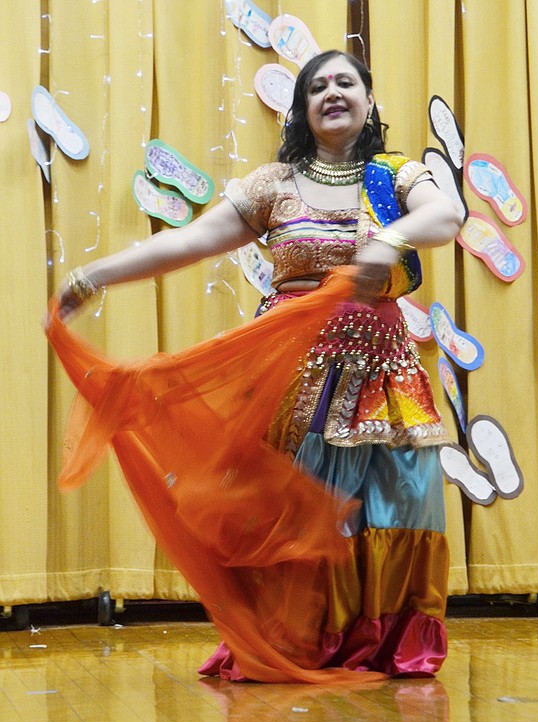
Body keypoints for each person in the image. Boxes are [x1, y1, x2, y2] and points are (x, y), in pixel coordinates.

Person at [48, 50, 463, 684]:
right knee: (303, 506)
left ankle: (389, 644)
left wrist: (389, 239)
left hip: (384, 374)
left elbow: (448, 216)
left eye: (345, 82)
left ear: (369, 101)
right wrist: (93, 275)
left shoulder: (396, 175)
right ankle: (298, 637)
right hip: (295, 376)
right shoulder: (275, 184)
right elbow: (190, 240)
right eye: (317, 86)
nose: (332, 92)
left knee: (399, 500)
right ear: (300, 109)